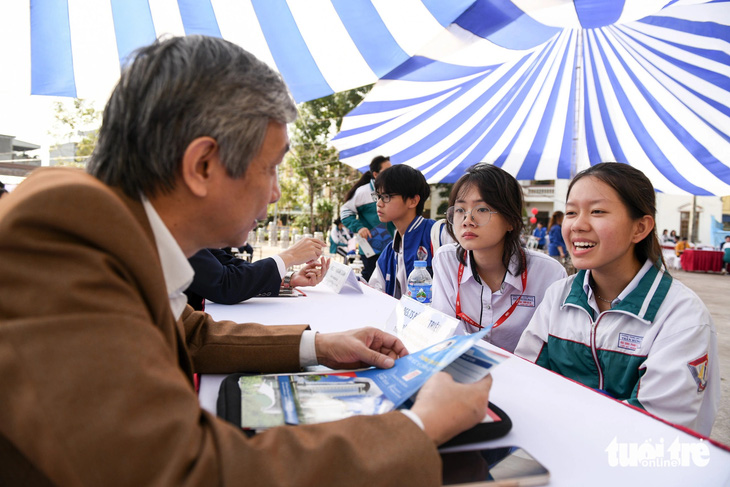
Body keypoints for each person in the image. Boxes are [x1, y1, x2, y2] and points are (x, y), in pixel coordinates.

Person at [0, 36, 494, 486]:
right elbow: (185, 471)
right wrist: (419, 426)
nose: (277, 191)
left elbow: (187, 332)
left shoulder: (103, 231)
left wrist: (321, 345)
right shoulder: (58, 236)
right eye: (272, 166)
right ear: (203, 165)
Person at [515, 162, 719, 435]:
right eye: (572, 212)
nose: (577, 224)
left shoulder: (682, 315)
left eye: (597, 211)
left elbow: (654, 426)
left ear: (640, 228)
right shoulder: (559, 295)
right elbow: (526, 380)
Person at [431, 164, 566, 353]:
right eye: (460, 210)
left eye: (482, 209)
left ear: (511, 220)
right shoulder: (447, 261)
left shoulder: (549, 273)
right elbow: (443, 331)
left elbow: (551, 347)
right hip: (460, 369)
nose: (467, 220)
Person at [185, 236, 328, 310]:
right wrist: (289, 256)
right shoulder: (175, 227)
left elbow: (231, 268)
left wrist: (289, 279)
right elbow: (225, 284)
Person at [368, 164, 434, 298]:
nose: (379, 203)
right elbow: (375, 291)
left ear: (413, 201)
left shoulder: (437, 235)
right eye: (378, 196)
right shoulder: (389, 252)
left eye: (386, 196)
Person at [340, 155, 394, 281]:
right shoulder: (362, 192)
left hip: (392, 246)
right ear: (375, 174)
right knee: (371, 280)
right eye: (387, 171)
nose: (391, 174)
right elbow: (345, 213)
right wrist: (359, 227)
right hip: (371, 246)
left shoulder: (394, 191)